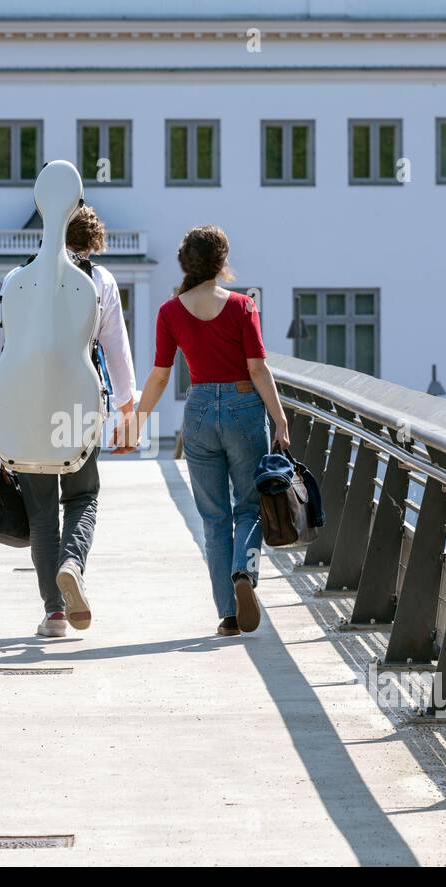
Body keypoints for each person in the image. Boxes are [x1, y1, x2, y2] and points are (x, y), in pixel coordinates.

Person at [118, 225, 290, 636]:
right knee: (249, 507)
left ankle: (228, 616)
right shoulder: (242, 306)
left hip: (197, 412)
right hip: (244, 407)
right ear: (222, 261)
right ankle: (243, 573)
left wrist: (136, 422)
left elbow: (160, 376)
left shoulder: (170, 311)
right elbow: (257, 368)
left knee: (214, 518)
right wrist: (280, 420)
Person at [0, 203, 139, 638]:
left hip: (26, 402)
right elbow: (117, 351)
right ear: (93, 241)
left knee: (40, 513)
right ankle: (72, 564)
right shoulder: (100, 280)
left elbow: (4, 351)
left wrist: (1, 420)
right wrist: (129, 411)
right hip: (79, 403)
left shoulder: (16, 279)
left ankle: (54, 614)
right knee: (82, 496)